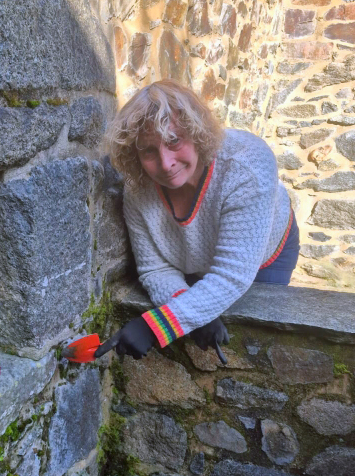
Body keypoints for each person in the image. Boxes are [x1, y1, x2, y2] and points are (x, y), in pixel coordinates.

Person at [95, 80, 299, 361]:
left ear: (196, 131)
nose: (166, 163)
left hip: (265, 255)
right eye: (149, 151)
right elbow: (155, 269)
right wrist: (193, 314)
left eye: (174, 140)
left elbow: (232, 275)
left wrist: (155, 326)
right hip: (193, 257)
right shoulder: (138, 192)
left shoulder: (247, 166)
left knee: (258, 339)